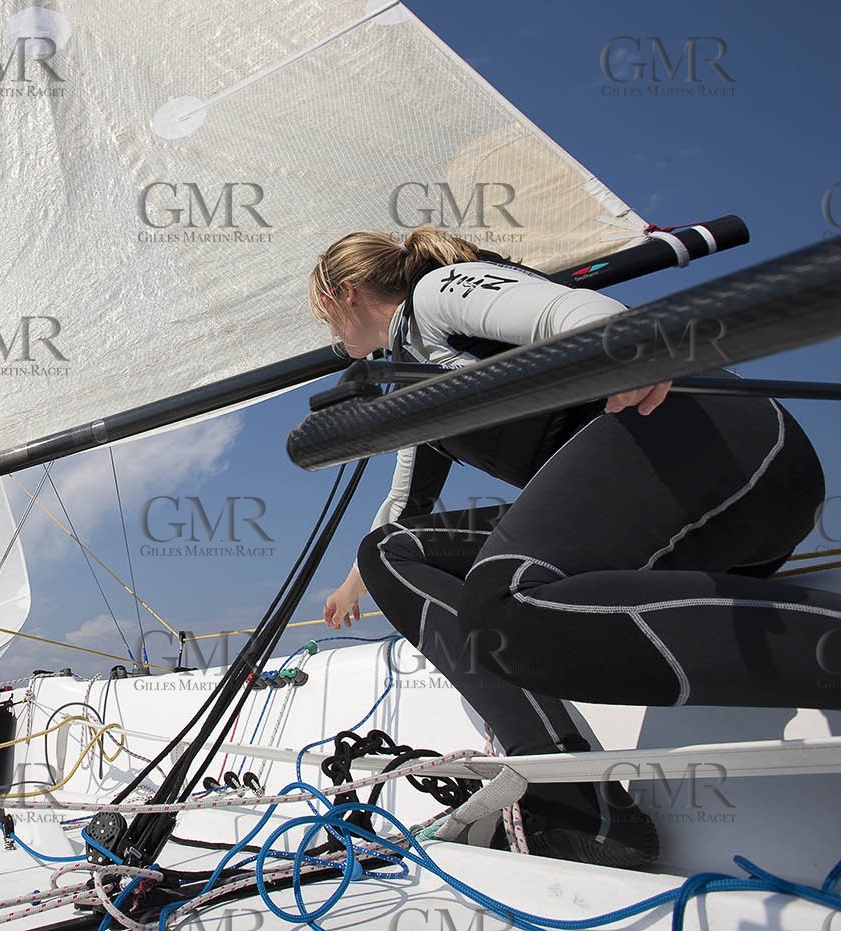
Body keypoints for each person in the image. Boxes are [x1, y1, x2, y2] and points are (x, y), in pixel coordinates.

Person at [310, 227, 838, 868]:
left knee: (503, 599)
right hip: (670, 530)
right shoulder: (415, 389)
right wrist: (349, 585)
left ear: (346, 296)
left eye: (327, 321)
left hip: (723, 449)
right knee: (391, 551)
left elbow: (574, 311)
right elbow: (401, 508)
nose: (333, 343)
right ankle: (580, 806)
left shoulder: (439, 293)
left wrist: (629, 354)